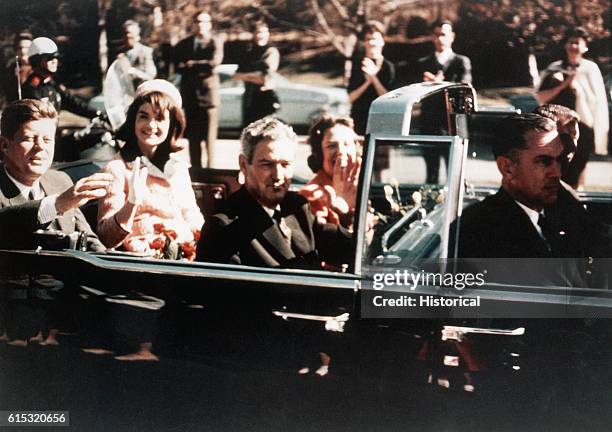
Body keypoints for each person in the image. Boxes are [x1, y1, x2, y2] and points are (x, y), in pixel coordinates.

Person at [0, 99, 110, 345]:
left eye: (47, 140)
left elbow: (90, 244)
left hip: (64, 319)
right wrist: (58, 204)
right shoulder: (62, 194)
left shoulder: (60, 181)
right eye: (29, 139)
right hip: (12, 323)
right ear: (4, 145)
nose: (40, 148)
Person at [196, 117, 353, 269]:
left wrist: (349, 214)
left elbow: (347, 250)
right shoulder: (223, 227)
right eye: (267, 164)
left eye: (285, 164)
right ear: (244, 165)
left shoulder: (297, 207)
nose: (278, 175)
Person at [456, 114, 608, 264]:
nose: (557, 173)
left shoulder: (559, 212)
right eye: (543, 161)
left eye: (559, 160)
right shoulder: (479, 230)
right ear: (507, 167)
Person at [97, 79, 203, 260]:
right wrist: (131, 203)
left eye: (160, 118)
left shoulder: (177, 167)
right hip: (140, 266)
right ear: (133, 120)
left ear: (172, 126)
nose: (151, 125)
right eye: (144, 116)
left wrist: (198, 238)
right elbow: (106, 237)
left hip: (184, 258)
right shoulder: (116, 168)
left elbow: (191, 214)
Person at [536, 27, 609, 189]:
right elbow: (540, 97)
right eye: (570, 42)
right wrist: (563, 85)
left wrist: (579, 91)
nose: (573, 46)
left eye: (577, 43)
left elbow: (598, 101)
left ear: (585, 47)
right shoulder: (554, 68)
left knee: (577, 171)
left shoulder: (590, 69)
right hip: (555, 127)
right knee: (556, 170)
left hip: (582, 127)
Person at [174, 10, 223, 169]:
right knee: (193, 140)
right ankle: (196, 172)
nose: (201, 25)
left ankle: (211, 172)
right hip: (190, 97)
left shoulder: (215, 42)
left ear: (210, 25)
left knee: (209, 140)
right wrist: (198, 65)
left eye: (205, 22)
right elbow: (178, 66)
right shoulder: (184, 44)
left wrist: (191, 64)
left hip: (209, 98)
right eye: (198, 22)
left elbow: (213, 63)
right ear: (193, 24)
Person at [300, 115, 361, 229]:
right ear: (319, 153)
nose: (341, 152)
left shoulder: (362, 184)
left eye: (347, 144)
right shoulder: (310, 195)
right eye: (332, 146)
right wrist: (344, 214)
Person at [22, 37, 99, 119]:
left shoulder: (51, 84)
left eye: (56, 57)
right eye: (50, 58)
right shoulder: (32, 90)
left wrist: (97, 113)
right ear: (37, 61)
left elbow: (71, 102)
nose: (55, 61)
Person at [347, 21, 395, 135]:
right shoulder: (357, 65)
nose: (372, 43)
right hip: (359, 120)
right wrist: (367, 82)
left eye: (375, 39)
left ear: (382, 41)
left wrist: (373, 77)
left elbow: (389, 99)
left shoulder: (389, 67)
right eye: (368, 39)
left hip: (381, 119)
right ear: (364, 42)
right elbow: (350, 98)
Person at [233, 19, 280, 127]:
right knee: (249, 132)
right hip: (249, 98)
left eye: (264, 32)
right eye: (258, 32)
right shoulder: (248, 52)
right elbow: (236, 76)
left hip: (265, 98)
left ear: (268, 34)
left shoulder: (271, 51)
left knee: (264, 131)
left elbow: (263, 77)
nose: (261, 35)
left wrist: (246, 76)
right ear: (253, 34)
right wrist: (252, 76)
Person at [416, 19, 472, 84]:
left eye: (443, 35)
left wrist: (438, 82)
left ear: (452, 36)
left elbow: (466, 89)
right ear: (432, 37)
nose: (440, 39)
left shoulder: (461, 61)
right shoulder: (423, 63)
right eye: (437, 35)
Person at [118, 20, 157, 88]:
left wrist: (134, 72)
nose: (128, 36)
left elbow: (151, 75)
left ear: (137, 36)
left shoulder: (145, 51)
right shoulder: (121, 54)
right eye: (125, 33)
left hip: (141, 91)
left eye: (130, 33)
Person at [2, 31, 33, 103]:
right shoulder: (11, 68)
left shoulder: (38, 67)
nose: (23, 51)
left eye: (27, 48)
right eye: (20, 48)